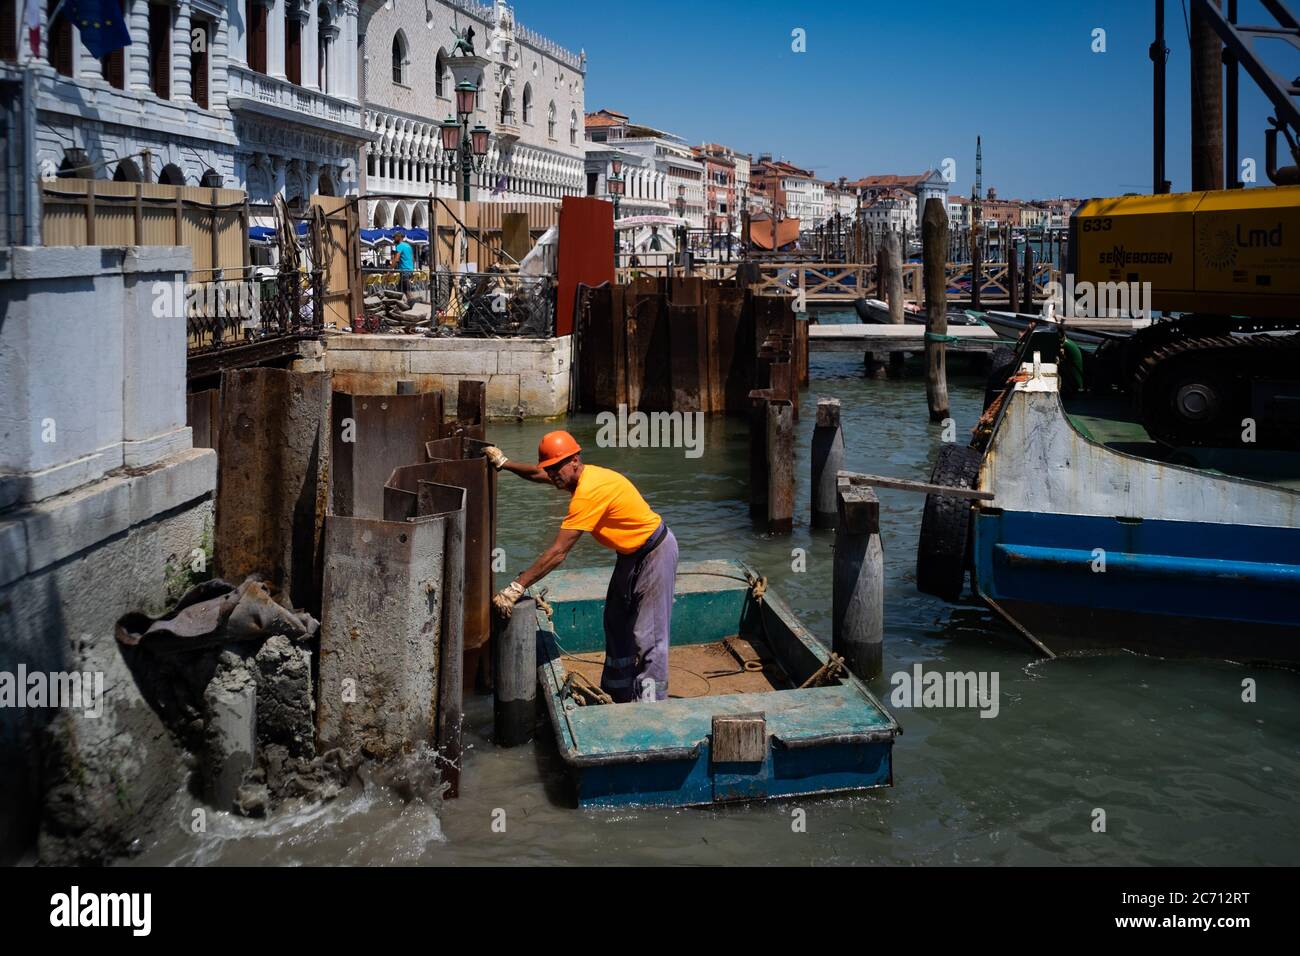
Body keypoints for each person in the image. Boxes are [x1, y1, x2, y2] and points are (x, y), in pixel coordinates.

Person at [486, 431, 677, 703]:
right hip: (629, 555)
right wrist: (504, 463)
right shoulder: (574, 476)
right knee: (616, 619)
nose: (552, 475)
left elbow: (558, 552)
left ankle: (651, 707)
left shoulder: (589, 492)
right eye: (549, 468)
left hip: (655, 553)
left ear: (575, 460)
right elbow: (537, 474)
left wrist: (517, 585)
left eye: (557, 467)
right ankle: (619, 691)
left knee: (649, 636)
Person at [389, 230, 415, 304]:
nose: (393, 239)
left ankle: (413, 305)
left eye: (394, 237)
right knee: (400, 290)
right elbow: (413, 258)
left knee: (407, 291)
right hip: (409, 270)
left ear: (399, 237)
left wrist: (390, 270)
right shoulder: (408, 246)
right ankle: (402, 304)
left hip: (404, 271)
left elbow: (396, 259)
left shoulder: (400, 246)